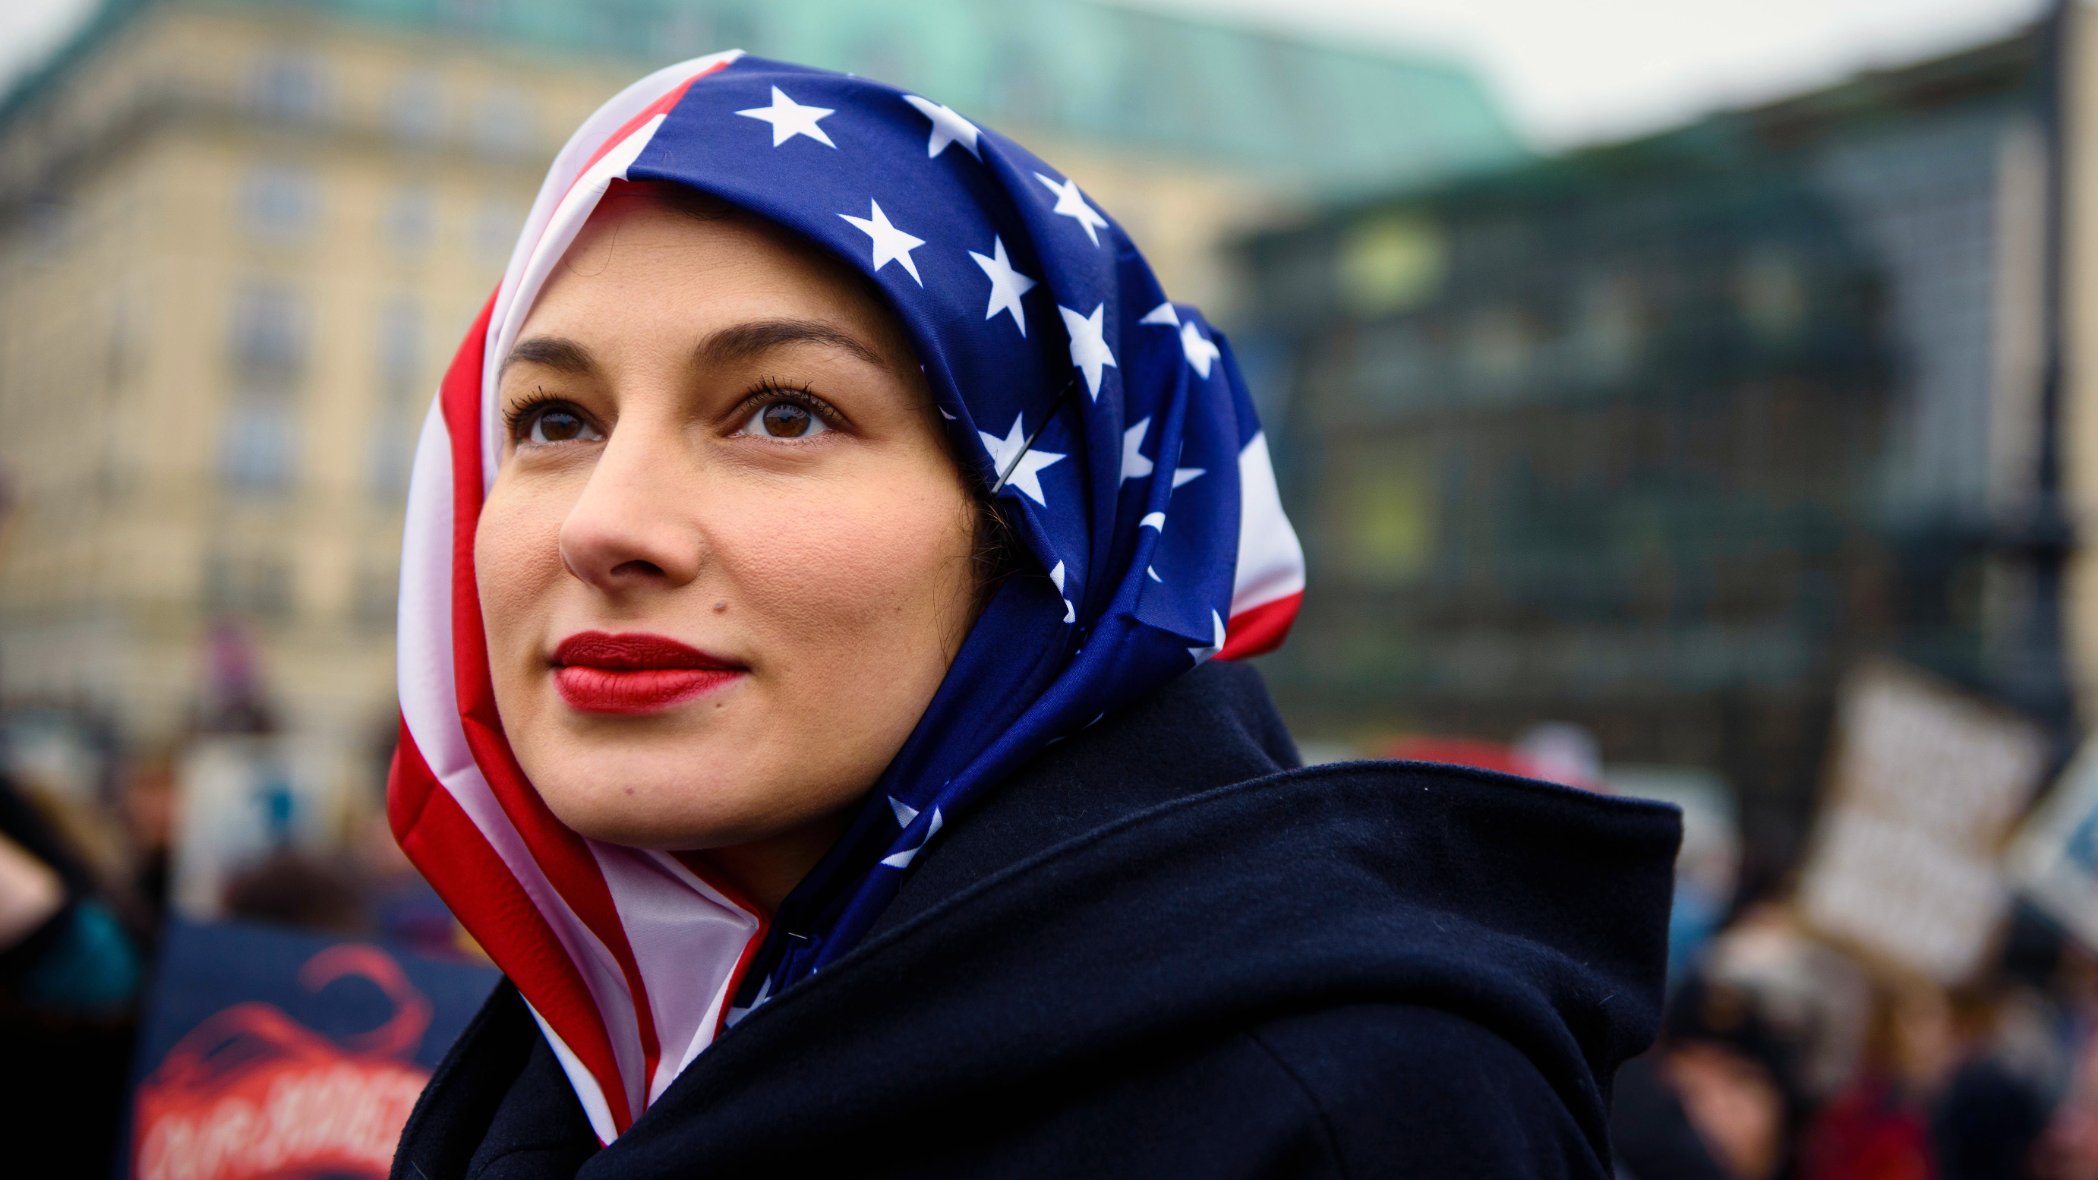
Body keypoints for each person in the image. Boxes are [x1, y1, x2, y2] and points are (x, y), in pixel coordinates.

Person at [387, 52, 1682, 1178]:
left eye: (783, 412)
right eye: (554, 419)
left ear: (1036, 537)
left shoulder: (1349, 1105)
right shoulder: (562, 1068)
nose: (603, 524)